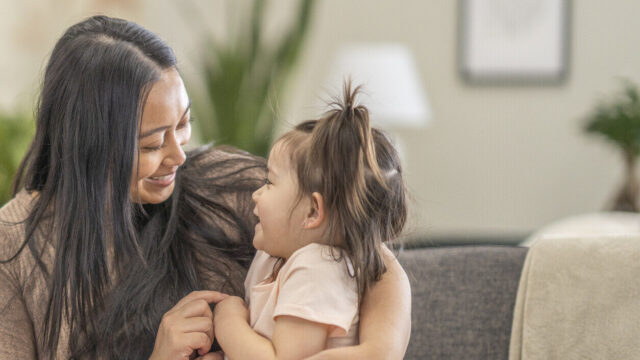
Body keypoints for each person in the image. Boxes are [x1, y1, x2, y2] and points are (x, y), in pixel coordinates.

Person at [0, 15, 411, 360]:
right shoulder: (13, 246)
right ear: (88, 143)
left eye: (183, 126)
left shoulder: (225, 184)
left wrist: (377, 351)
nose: (179, 155)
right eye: (151, 143)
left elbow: (368, 251)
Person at [211, 82, 407, 360]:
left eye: (269, 181)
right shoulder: (275, 255)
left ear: (313, 212)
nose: (256, 194)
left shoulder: (318, 267)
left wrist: (228, 318)